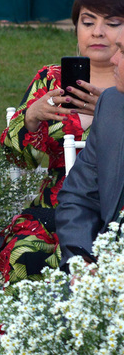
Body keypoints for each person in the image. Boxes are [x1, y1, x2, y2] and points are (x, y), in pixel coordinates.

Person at [0, 0, 124, 283]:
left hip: (111, 206)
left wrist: (106, 115)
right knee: (24, 251)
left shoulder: (119, 97)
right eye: (87, 22)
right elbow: (18, 161)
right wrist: (30, 117)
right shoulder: (50, 80)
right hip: (56, 207)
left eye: (113, 23)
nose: (97, 32)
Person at [56, 27, 124, 269]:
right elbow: (79, 197)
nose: (113, 59)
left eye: (123, 52)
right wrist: (81, 259)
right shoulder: (112, 104)